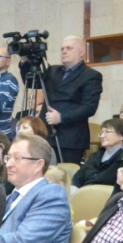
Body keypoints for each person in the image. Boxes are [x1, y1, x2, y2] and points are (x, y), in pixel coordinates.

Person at [23, 36, 102, 165]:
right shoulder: (53, 70)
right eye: (62, 49)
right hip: (46, 133)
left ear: (81, 52)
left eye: (69, 48)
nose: (64, 51)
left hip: (70, 138)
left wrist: (62, 117)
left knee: (64, 176)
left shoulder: (91, 76)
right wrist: (25, 62)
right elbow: (32, 82)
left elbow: (89, 107)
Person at [0, 134, 72, 243]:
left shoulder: (51, 194)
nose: (8, 164)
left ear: (38, 164)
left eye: (17, 158)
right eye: (8, 157)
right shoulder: (12, 196)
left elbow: (22, 242)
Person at [72, 117, 123, 189]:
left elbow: (107, 180)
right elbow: (79, 176)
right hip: (83, 193)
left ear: (122, 136)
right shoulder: (95, 155)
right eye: (101, 133)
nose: (102, 136)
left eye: (107, 132)